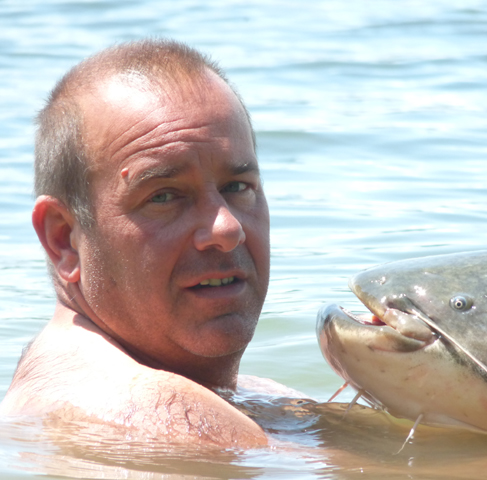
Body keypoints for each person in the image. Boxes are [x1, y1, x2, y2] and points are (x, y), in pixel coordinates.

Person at [0, 39, 293, 448]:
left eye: (237, 187)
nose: (227, 228)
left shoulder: (241, 397)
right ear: (63, 238)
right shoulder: (159, 415)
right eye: (164, 196)